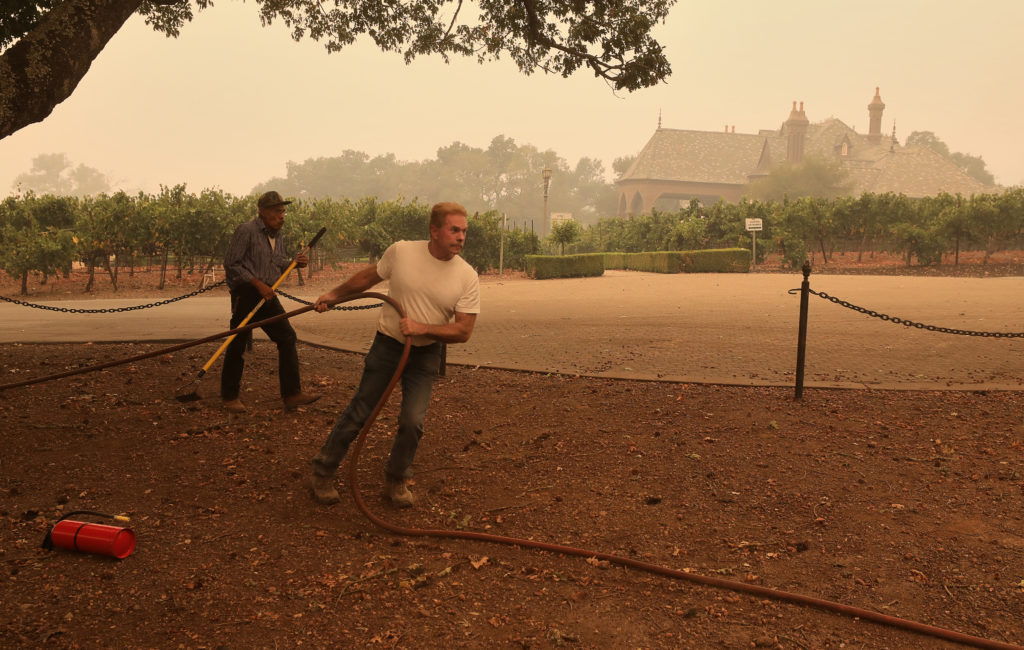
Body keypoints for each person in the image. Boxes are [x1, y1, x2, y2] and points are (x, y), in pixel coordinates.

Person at [310, 201, 480, 507]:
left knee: (412, 421)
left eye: (464, 231)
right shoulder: (402, 252)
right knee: (360, 411)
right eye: (454, 230)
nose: (461, 237)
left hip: (426, 355)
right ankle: (322, 471)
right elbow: (368, 278)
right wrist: (334, 296)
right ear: (434, 230)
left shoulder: (466, 276)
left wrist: (422, 327)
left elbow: (463, 330)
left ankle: (396, 479)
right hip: (388, 345)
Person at [220, 190, 321, 413]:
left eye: (283, 211)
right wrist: (257, 284)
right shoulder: (246, 231)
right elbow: (232, 264)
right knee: (237, 342)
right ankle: (229, 397)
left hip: (268, 295)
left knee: (287, 337)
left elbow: (275, 263)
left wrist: (294, 263)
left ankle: (292, 394)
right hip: (246, 294)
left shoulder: (278, 235)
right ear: (263, 212)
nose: (282, 216)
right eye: (277, 211)